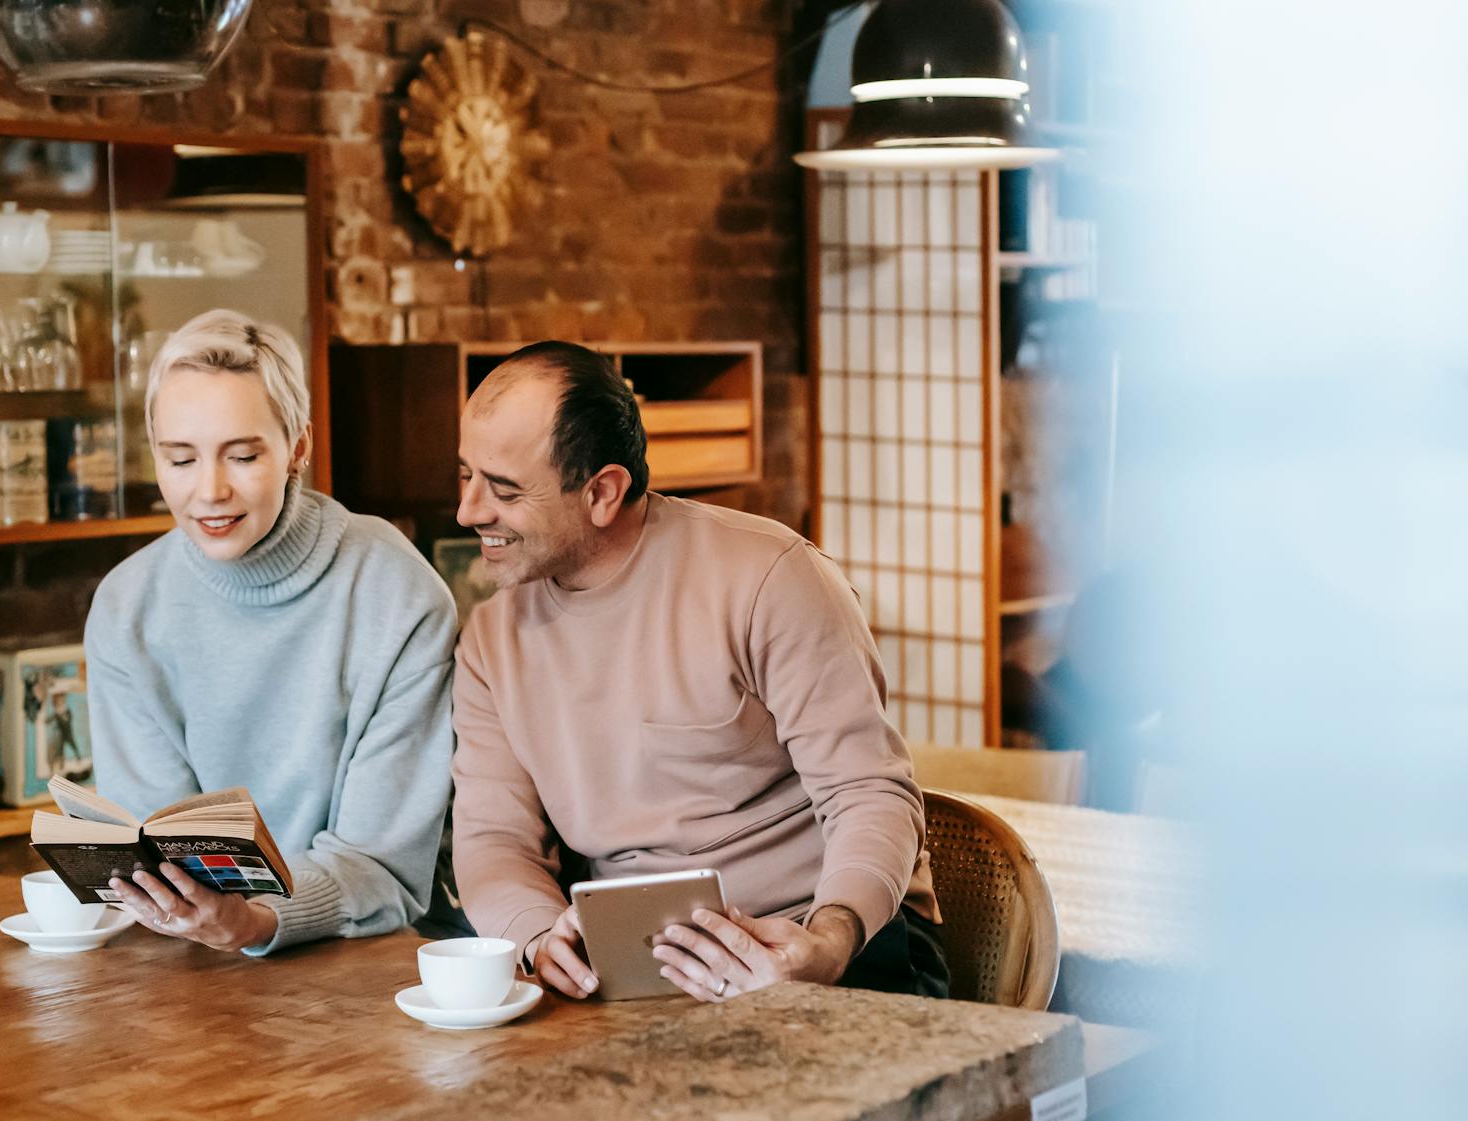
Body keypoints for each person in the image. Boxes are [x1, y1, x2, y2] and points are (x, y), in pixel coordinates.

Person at [450, 341, 945, 1001]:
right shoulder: (490, 640)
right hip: (634, 964)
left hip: (822, 942)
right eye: (465, 476)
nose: (469, 512)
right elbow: (493, 839)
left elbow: (869, 792)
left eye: (503, 490)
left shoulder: (769, 577)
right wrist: (541, 936)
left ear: (601, 492)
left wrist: (829, 938)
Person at [85, 309, 457, 954]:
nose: (210, 491)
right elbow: (158, 844)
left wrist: (257, 920)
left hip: (380, 958)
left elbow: (383, 865)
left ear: (299, 449)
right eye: (180, 459)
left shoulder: (396, 593)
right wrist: (200, 911)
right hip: (198, 956)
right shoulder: (127, 607)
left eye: (243, 455)